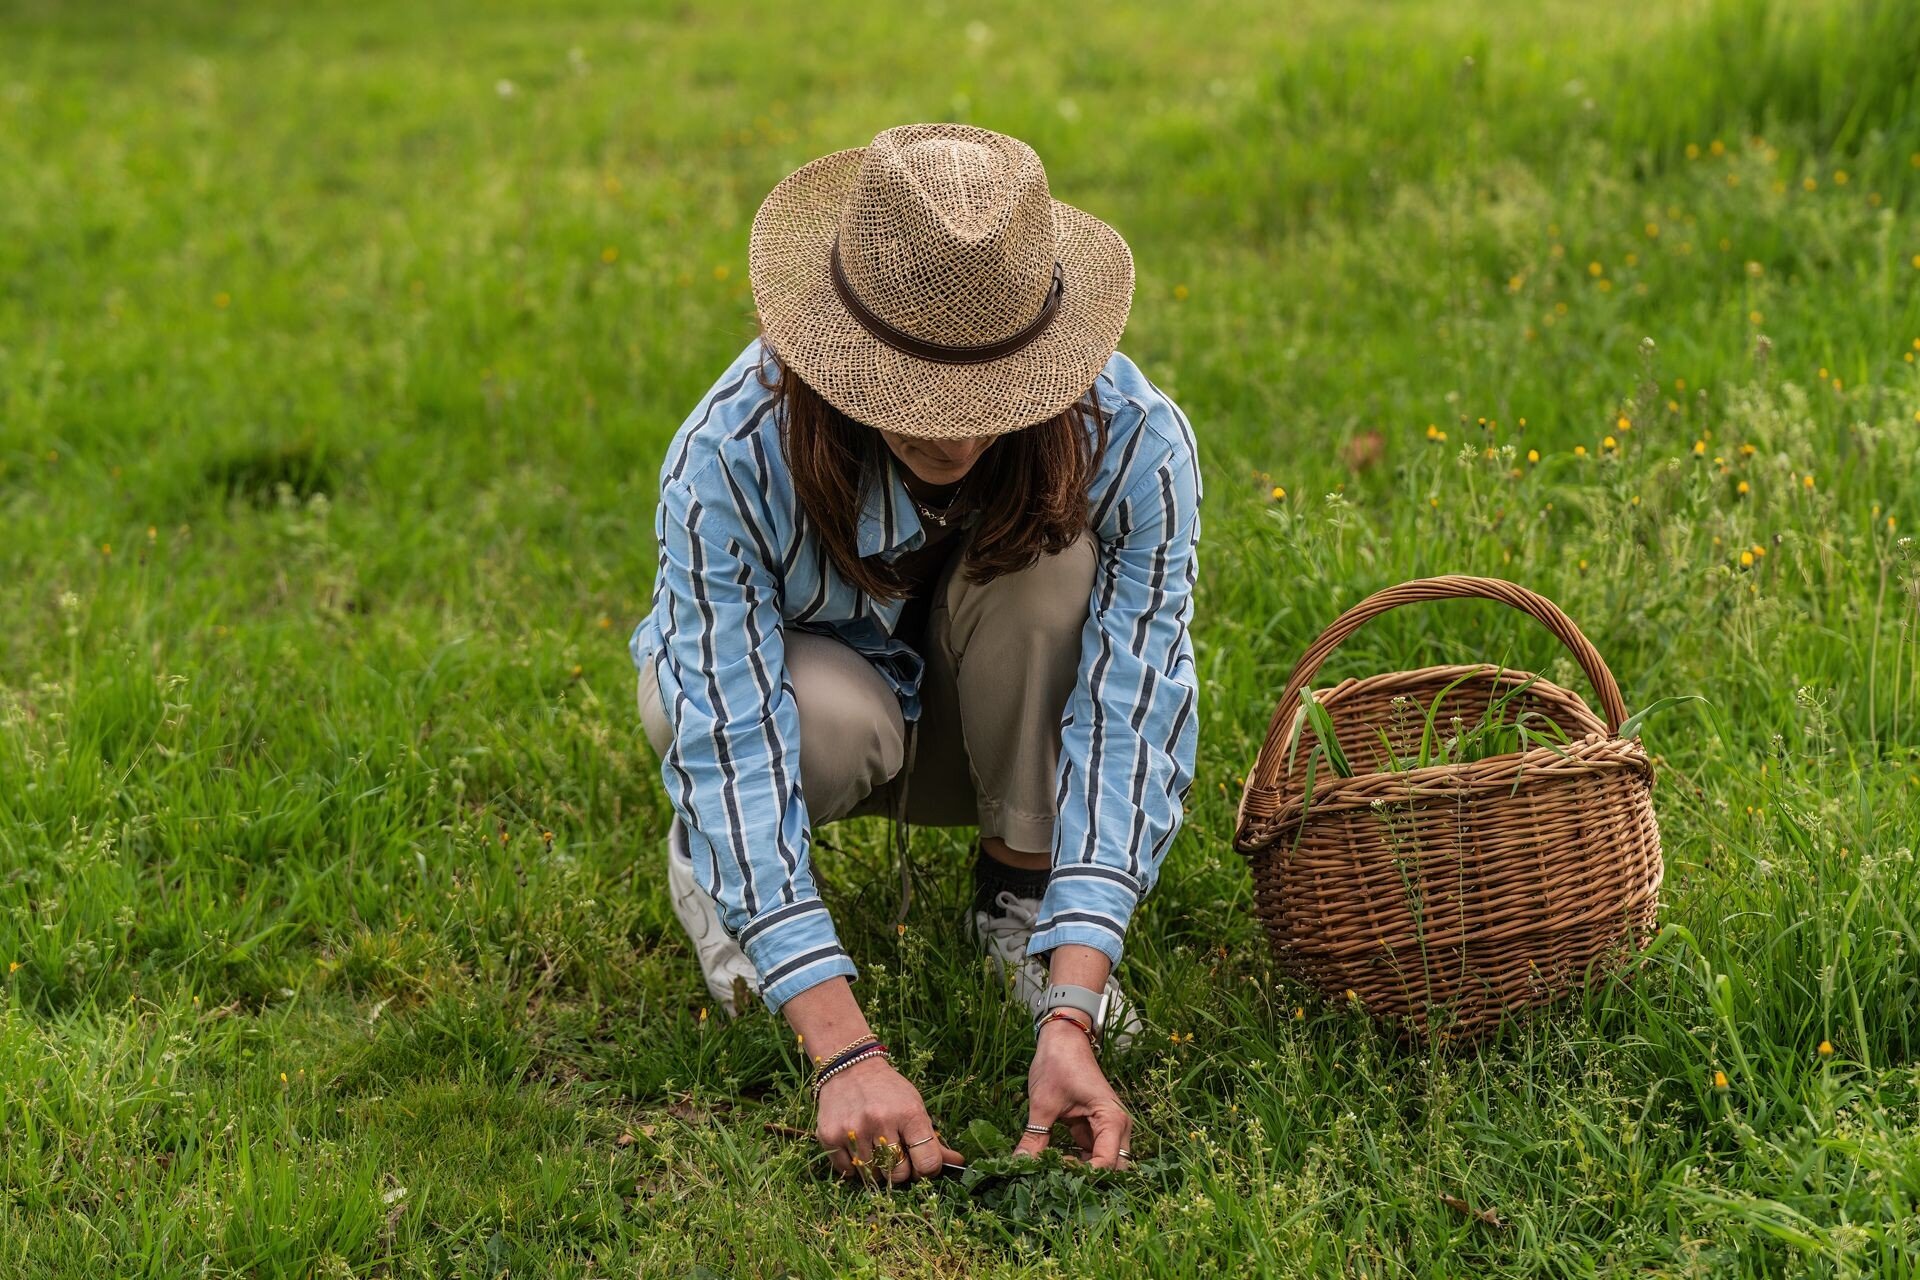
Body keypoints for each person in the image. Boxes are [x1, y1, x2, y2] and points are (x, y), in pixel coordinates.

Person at [630, 123, 1201, 1185]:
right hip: (830, 716)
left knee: (1054, 563)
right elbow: (728, 729)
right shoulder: (728, 453)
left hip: (998, 727)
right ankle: (739, 888)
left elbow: (1132, 713)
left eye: (992, 390)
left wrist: (1074, 1001)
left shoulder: (1136, 438)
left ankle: (1021, 906)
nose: (956, 432)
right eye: (916, 388)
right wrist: (844, 1045)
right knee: (777, 722)